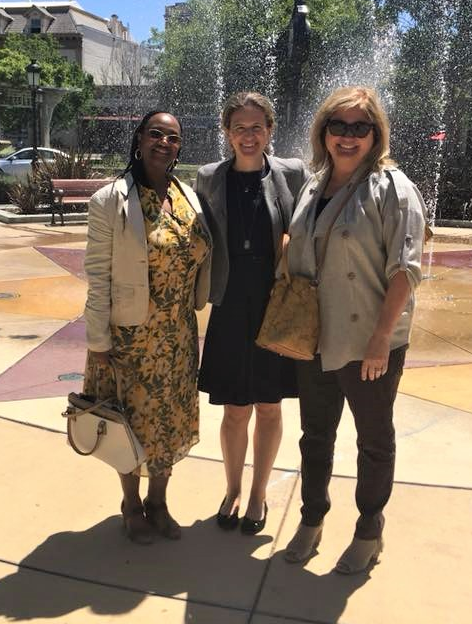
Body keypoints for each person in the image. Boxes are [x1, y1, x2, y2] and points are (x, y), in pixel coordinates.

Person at [282, 86, 426, 574]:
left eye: (359, 128)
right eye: (337, 126)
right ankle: (311, 519)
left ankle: (369, 527)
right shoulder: (313, 182)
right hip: (316, 336)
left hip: (369, 340)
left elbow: (405, 269)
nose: (347, 137)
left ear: (374, 134)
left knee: (373, 439)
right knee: (315, 435)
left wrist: (382, 338)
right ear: (323, 131)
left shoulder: (394, 188)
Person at [83, 111, 213, 545]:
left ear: (180, 147)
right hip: (130, 338)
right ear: (139, 140)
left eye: (173, 137)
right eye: (155, 134)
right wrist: (97, 340)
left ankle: (159, 501)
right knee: (130, 423)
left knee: (170, 422)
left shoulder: (187, 197)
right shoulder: (112, 200)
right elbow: (98, 275)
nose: (164, 142)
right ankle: (132, 504)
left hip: (177, 335)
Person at [195, 92, 307, 535]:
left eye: (257, 127)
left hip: (274, 306)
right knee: (235, 410)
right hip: (229, 305)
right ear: (227, 132)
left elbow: (311, 223)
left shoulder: (292, 173)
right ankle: (233, 489)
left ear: (270, 130)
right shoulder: (209, 178)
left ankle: (259, 493)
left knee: (270, 406)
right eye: (239, 127)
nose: (248, 135)